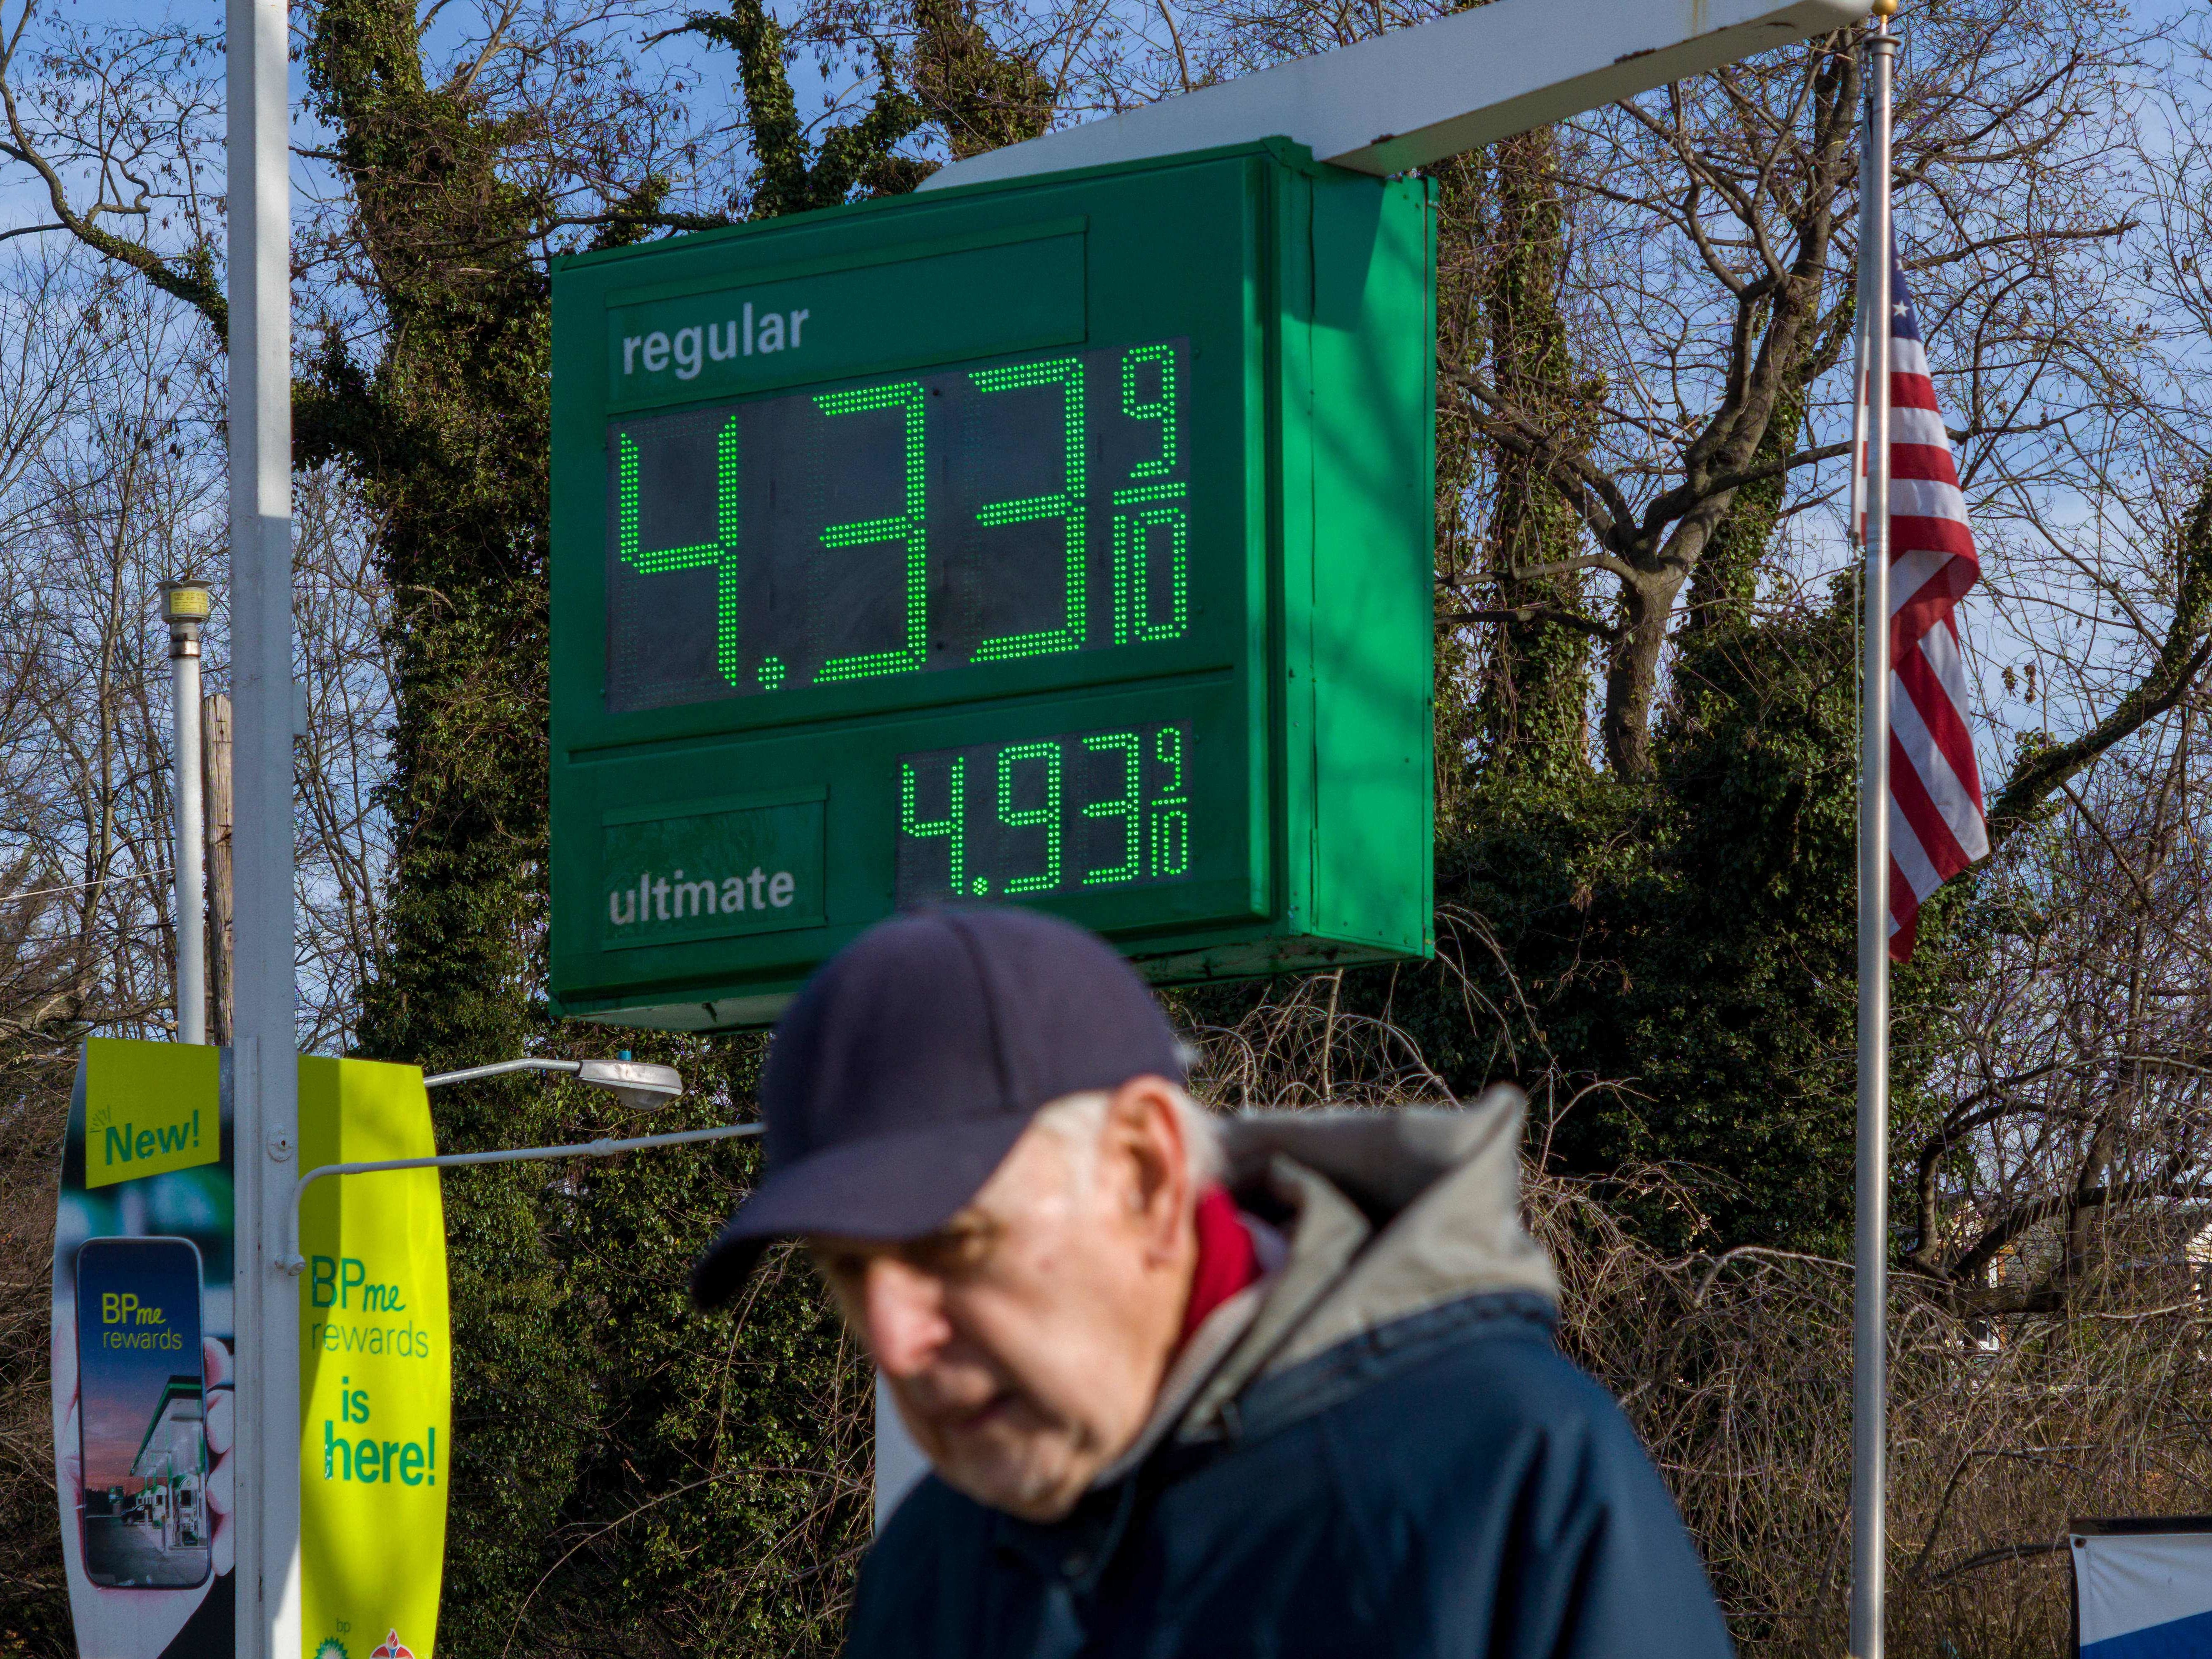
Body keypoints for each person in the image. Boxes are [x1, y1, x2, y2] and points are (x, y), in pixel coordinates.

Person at [692, 906, 1733, 1658]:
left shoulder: (1511, 1471)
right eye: (848, 1267)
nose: (892, 1334)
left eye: (953, 1245)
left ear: (1145, 1173)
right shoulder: (925, 1571)